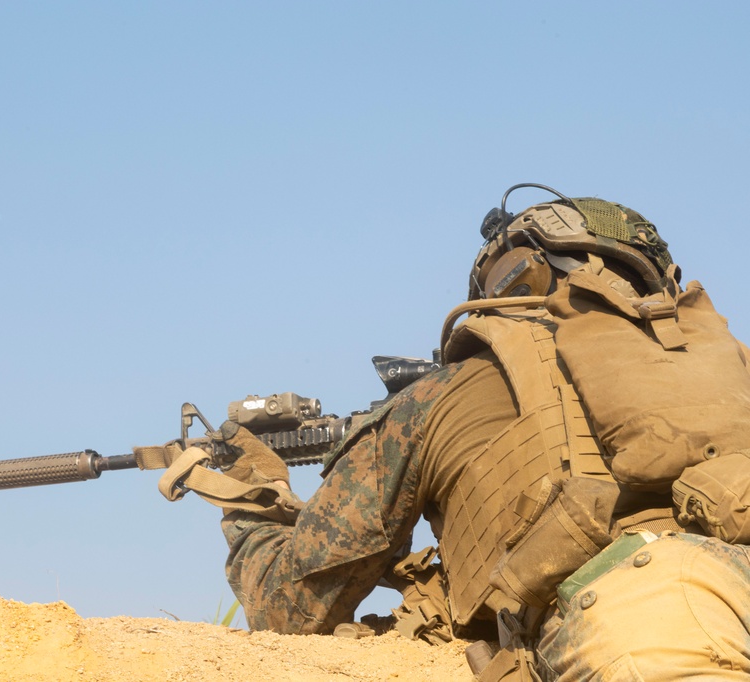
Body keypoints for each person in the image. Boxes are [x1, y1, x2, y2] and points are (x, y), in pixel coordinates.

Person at [210, 184, 750, 681]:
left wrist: (253, 502)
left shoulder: (441, 394)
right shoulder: (733, 366)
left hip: (654, 610)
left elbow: (293, 606)